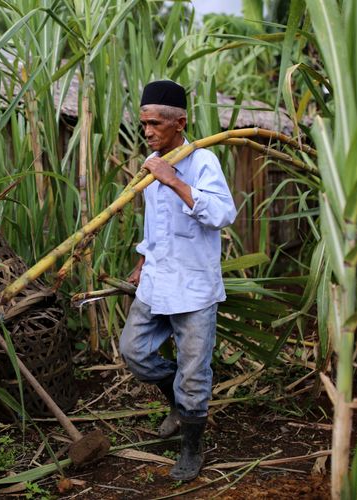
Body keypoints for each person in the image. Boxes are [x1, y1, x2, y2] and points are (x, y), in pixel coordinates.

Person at [119, 80, 236, 481]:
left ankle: (191, 447)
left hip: (195, 286)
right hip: (157, 278)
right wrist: (141, 260)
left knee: (194, 373)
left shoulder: (202, 163)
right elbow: (155, 224)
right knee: (133, 352)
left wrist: (173, 179)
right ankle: (179, 400)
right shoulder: (152, 160)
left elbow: (223, 214)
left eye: (154, 124)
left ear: (180, 122)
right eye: (144, 124)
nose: (147, 132)